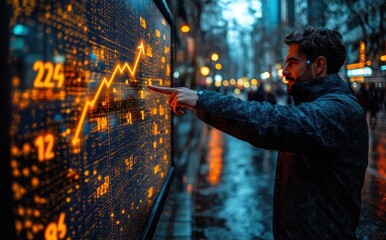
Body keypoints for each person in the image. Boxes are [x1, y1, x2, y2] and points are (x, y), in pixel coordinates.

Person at [148, 26, 368, 239]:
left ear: (320, 65)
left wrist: (203, 100)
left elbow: (272, 122)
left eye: (293, 62)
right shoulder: (321, 105)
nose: (284, 71)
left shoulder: (340, 111)